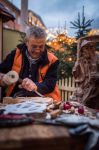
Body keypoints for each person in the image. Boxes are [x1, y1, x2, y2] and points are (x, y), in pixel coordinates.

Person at [0, 26, 61, 102]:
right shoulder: (15, 54)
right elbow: (1, 71)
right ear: (26, 42)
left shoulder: (52, 60)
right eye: (34, 46)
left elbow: (50, 84)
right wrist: (3, 78)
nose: (37, 50)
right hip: (15, 101)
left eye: (41, 46)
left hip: (42, 102)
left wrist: (36, 86)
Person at [73, 39, 99, 109]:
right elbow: (75, 74)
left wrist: (97, 76)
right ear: (82, 50)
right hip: (83, 85)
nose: (88, 50)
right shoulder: (80, 60)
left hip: (95, 87)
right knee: (79, 102)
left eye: (91, 47)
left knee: (90, 105)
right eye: (86, 48)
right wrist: (77, 63)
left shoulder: (97, 58)